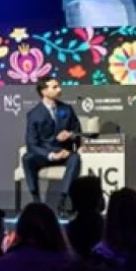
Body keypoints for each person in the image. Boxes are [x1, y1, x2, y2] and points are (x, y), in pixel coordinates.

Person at [21, 77, 82, 213]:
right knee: (27, 158)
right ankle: (36, 201)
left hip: (63, 152)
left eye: (58, 86)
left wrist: (70, 134)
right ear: (44, 91)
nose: (59, 89)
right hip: (45, 154)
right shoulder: (34, 114)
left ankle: (63, 200)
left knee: (75, 158)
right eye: (54, 87)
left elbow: (77, 131)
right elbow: (31, 144)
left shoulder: (67, 109)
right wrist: (51, 155)